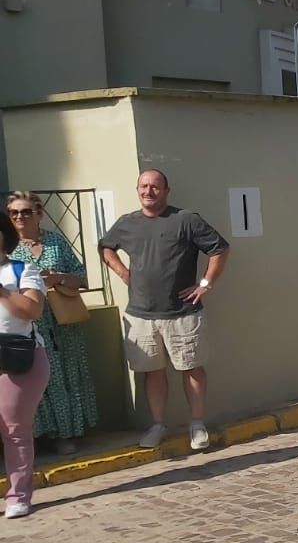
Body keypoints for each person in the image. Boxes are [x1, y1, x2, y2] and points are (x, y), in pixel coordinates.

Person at [99, 170, 229, 451]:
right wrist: (122, 272)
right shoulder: (127, 223)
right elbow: (106, 247)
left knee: (191, 368)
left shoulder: (186, 220)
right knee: (152, 372)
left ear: (166, 190)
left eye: (155, 187)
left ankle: (197, 424)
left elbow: (219, 249)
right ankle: (158, 424)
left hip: (183, 312)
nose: (149, 191)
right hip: (141, 314)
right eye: (143, 186)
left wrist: (205, 284)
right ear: (137, 190)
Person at [8, 193, 97, 453]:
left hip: (61, 321)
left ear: (39, 213)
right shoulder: (8, 248)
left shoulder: (56, 242)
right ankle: (35, 437)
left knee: (66, 375)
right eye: (13, 213)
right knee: (31, 379)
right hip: (25, 322)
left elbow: (80, 276)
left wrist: (56, 277)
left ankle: (66, 435)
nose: (19, 217)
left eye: (25, 212)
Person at [0, 208, 51, 518]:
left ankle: (19, 495)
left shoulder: (21, 270)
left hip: (16, 357)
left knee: (15, 429)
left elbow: (32, 309)